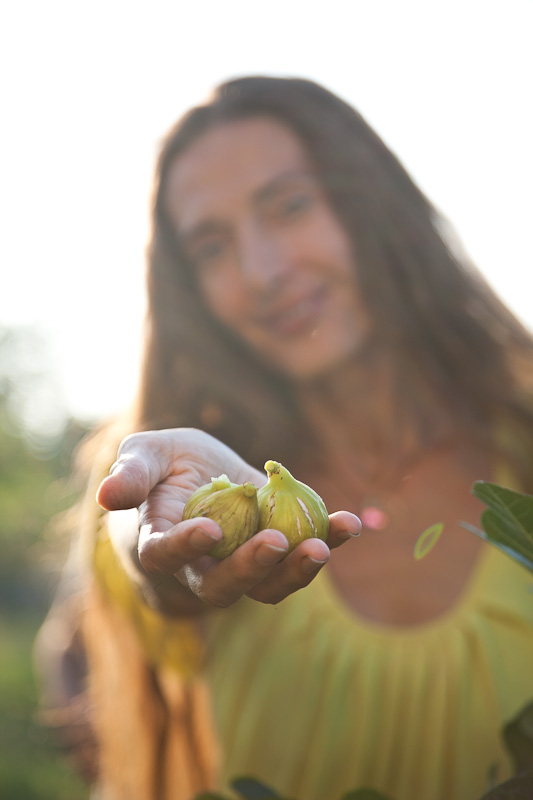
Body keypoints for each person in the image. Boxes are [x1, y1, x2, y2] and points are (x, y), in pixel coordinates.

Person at [35, 76, 533, 800]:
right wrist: (159, 547)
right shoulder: (177, 467)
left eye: (290, 206)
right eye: (212, 246)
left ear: (372, 207)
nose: (263, 271)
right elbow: (118, 600)